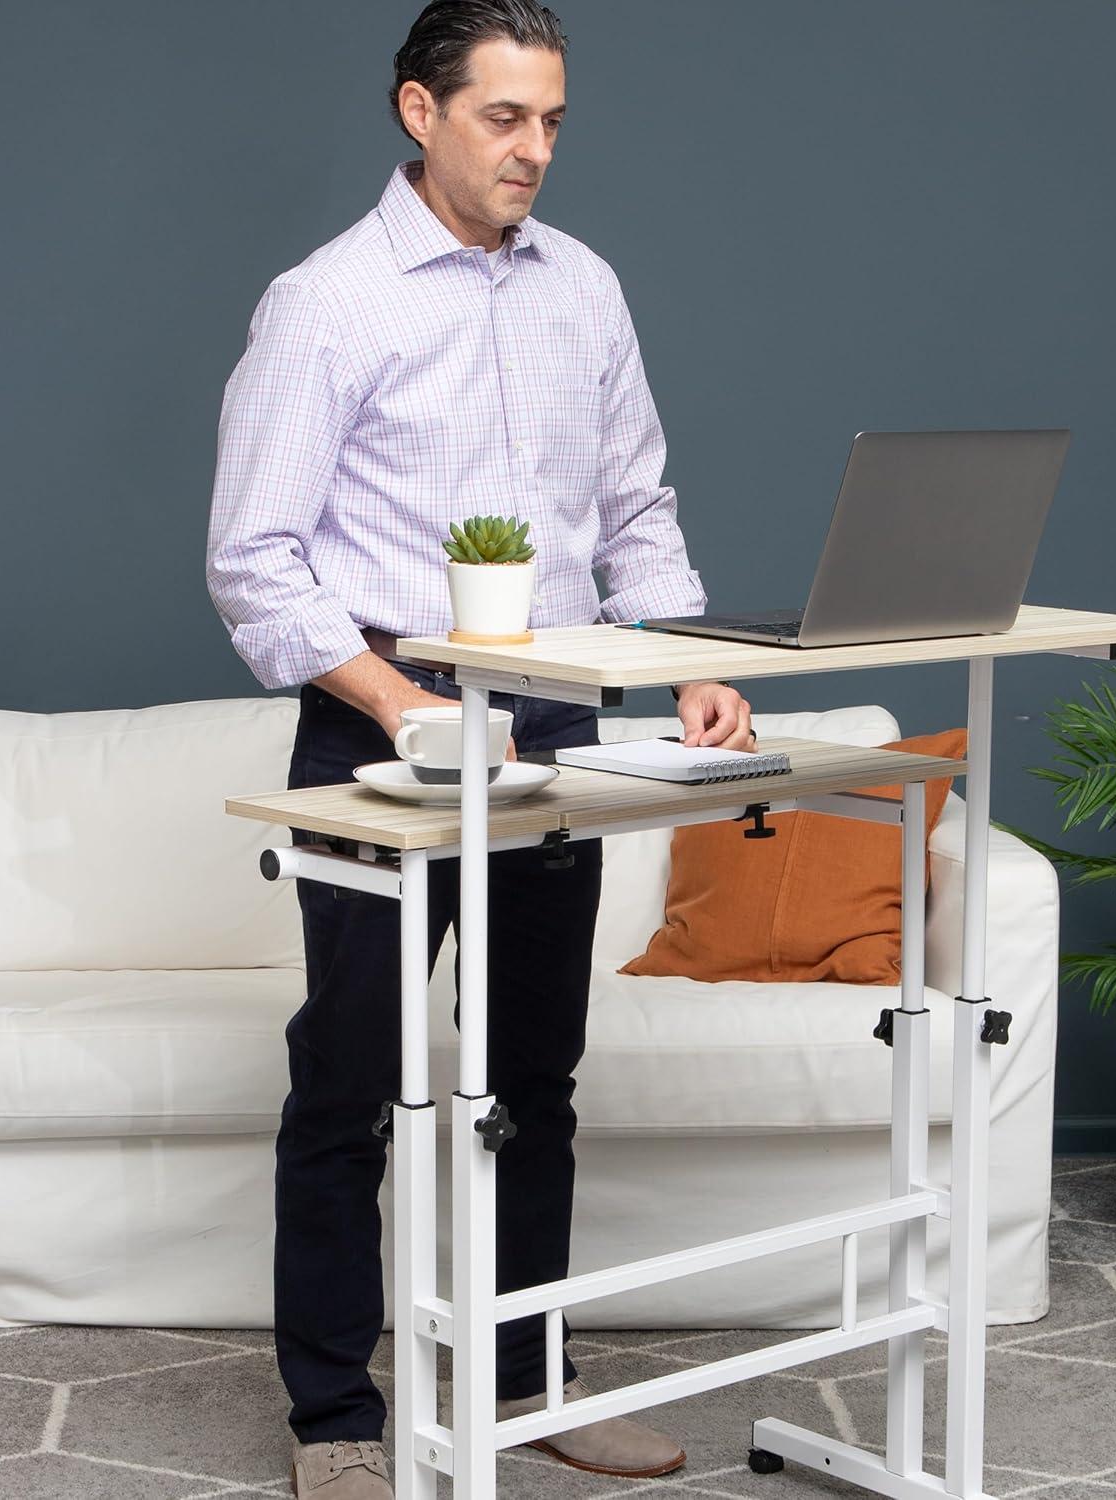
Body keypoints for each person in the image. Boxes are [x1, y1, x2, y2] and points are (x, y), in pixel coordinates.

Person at [206, 2, 754, 1493]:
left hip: (562, 721)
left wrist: (690, 667)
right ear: (418, 112)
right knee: (352, 1076)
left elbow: (635, 510)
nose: (534, 150)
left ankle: (530, 1376)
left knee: (535, 1073)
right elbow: (256, 558)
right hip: (380, 724)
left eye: (554, 121)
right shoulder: (325, 303)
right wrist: (397, 703)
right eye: (505, 118)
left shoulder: (587, 287)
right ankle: (336, 1416)